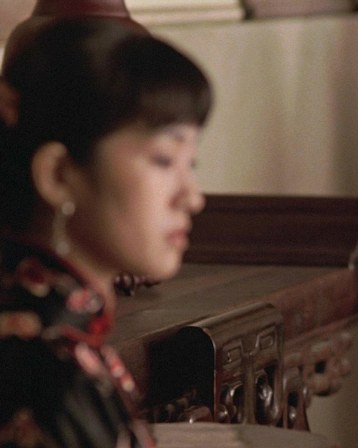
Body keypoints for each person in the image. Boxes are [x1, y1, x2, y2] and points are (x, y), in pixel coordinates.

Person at [0, 18, 212, 447]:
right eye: (163, 160)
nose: (193, 198)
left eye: (191, 164)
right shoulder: (47, 374)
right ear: (58, 175)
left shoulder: (56, 331)